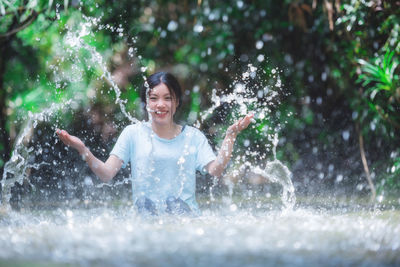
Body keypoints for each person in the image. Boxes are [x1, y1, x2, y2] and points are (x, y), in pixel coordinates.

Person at [57, 71, 253, 215]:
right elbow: (107, 174)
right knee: (145, 205)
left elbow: (216, 170)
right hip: (147, 222)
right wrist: (81, 148)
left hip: (184, 220)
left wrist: (230, 136)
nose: (160, 104)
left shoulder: (193, 137)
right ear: (147, 103)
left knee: (174, 205)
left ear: (176, 103)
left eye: (167, 98)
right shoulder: (132, 134)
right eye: (154, 98)